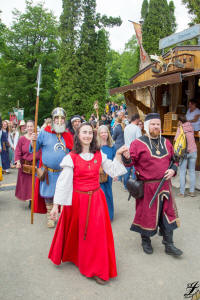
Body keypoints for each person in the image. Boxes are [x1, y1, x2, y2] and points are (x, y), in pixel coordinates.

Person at [48, 122, 127, 285]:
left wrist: (118, 153)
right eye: (84, 132)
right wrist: (56, 206)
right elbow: (63, 183)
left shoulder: (99, 154)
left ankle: (97, 268)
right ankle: (78, 258)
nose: (87, 135)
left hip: (97, 199)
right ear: (78, 135)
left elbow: (114, 170)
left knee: (96, 234)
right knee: (79, 232)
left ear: (93, 135)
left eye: (90, 132)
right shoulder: (71, 157)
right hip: (78, 200)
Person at [123, 113, 183, 257]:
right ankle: (146, 241)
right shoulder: (137, 143)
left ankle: (169, 244)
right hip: (147, 187)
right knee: (146, 214)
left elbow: (174, 160)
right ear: (146, 126)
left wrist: (173, 170)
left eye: (158, 124)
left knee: (168, 214)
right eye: (153, 124)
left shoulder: (167, 142)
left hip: (165, 186)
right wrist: (126, 158)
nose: (156, 126)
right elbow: (130, 162)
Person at [31, 107, 73, 228]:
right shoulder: (44, 132)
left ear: (65, 120)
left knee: (63, 195)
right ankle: (51, 217)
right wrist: (33, 141)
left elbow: (73, 152)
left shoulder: (67, 135)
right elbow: (35, 148)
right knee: (49, 196)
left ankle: (63, 218)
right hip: (48, 173)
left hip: (63, 172)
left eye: (62, 118)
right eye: (56, 118)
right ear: (53, 120)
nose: (59, 121)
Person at [15, 120, 40, 206]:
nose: (29, 128)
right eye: (28, 126)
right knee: (27, 185)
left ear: (34, 127)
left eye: (31, 126)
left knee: (35, 184)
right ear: (26, 127)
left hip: (35, 165)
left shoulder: (38, 138)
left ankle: (34, 200)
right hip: (25, 165)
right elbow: (18, 151)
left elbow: (41, 151)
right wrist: (17, 161)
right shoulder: (22, 139)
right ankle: (30, 200)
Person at [97, 125, 116, 221]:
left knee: (108, 193)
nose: (104, 134)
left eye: (105, 132)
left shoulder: (112, 146)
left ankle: (109, 215)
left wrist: (115, 173)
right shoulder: (96, 146)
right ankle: (101, 215)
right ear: (99, 134)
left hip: (109, 175)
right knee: (101, 194)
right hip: (98, 174)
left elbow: (115, 160)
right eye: (102, 133)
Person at [175, 115, 197, 197]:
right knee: (192, 172)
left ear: (180, 121)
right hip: (193, 151)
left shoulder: (180, 128)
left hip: (184, 153)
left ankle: (182, 192)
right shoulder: (191, 126)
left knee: (182, 172)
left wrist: (179, 127)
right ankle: (192, 192)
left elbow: (176, 140)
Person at [124, 113, 142, 189]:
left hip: (126, 149)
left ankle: (125, 186)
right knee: (135, 169)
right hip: (134, 150)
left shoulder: (126, 127)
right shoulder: (136, 128)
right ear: (137, 119)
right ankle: (133, 186)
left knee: (127, 170)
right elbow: (139, 140)